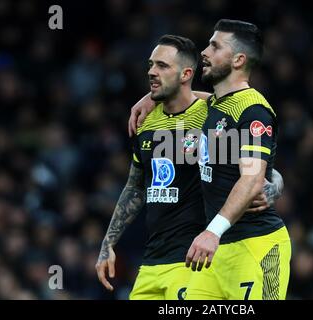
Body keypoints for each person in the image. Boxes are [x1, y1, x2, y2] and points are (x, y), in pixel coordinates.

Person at [96, 35, 282, 300]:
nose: (151, 71)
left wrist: (273, 188)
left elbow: (263, 171)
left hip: (193, 259)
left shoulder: (211, 116)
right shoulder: (146, 122)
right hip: (152, 261)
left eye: (162, 66)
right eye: (151, 64)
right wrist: (108, 242)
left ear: (186, 74)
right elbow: (136, 186)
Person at [184, 19, 292, 300]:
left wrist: (212, 232)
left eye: (215, 46)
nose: (204, 52)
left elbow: (253, 178)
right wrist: (152, 97)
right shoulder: (218, 105)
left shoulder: (254, 111)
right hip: (217, 252)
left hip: (257, 246)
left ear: (238, 59)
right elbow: (192, 99)